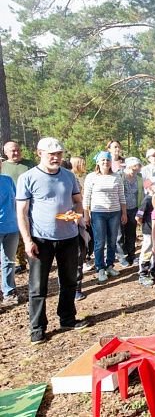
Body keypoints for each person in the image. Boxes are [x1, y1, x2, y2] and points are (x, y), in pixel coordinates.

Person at [16, 137, 89, 344]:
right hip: (41, 239)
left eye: (59, 154)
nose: (56, 158)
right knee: (38, 286)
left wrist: (75, 215)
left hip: (68, 236)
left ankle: (67, 318)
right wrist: (28, 240)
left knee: (69, 281)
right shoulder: (28, 178)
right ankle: (37, 328)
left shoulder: (68, 176)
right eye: (51, 154)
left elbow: (77, 202)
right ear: (39, 153)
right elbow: (21, 212)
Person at [83, 151, 127, 282]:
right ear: (98, 162)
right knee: (100, 242)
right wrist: (86, 214)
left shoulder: (116, 177)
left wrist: (124, 213)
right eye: (103, 160)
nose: (105, 162)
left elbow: (121, 196)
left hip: (115, 212)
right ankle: (100, 268)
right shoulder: (91, 177)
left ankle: (109, 266)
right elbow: (86, 197)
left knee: (112, 241)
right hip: (98, 213)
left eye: (107, 160)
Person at [2, 141, 35, 274]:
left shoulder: (30, 164)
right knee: (16, 234)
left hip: (30, 203)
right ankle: (19, 262)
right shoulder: (3, 166)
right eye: (12, 151)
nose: (16, 152)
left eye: (17, 150)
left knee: (30, 232)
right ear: (5, 153)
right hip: (10, 206)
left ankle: (34, 258)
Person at [63, 157, 90, 301]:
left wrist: (81, 216)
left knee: (79, 256)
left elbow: (79, 201)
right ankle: (67, 289)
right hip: (56, 230)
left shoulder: (73, 180)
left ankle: (76, 289)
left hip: (76, 225)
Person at [0, 157, 19, 306]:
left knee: (9, 261)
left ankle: (9, 291)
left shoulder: (7, 180)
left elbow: (17, 201)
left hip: (12, 227)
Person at [118, 157, 143, 267]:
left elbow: (142, 194)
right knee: (120, 234)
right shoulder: (120, 176)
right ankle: (121, 257)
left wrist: (140, 211)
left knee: (131, 234)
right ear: (130, 166)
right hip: (119, 209)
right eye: (137, 165)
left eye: (139, 165)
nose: (139, 167)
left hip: (134, 209)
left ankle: (131, 255)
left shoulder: (139, 178)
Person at [136, 180, 155, 286]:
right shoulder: (147, 200)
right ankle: (143, 273)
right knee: (147, 250)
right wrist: (145, 226)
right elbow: (138, 216)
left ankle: (154, 271)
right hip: (148, 231)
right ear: (149, 188)